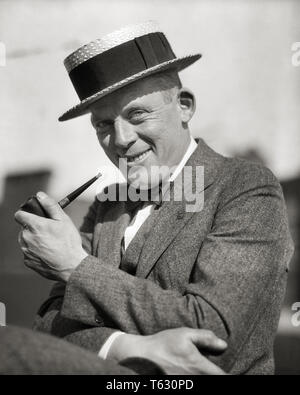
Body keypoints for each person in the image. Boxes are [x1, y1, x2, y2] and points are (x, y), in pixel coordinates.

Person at [15, 21, 294, 375]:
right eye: (103, 124)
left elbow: (212, 335)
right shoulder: (108, 204)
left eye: (137, 114)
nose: (120, 140)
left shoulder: (246, 187)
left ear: (185, 107)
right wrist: (129, 346)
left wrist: (76, 267)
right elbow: (49, 325)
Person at [0, 326, 226, 375]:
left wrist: (74, 265)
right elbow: (50, 319)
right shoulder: (105, 207)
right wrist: (121, 345)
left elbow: (209, 328)